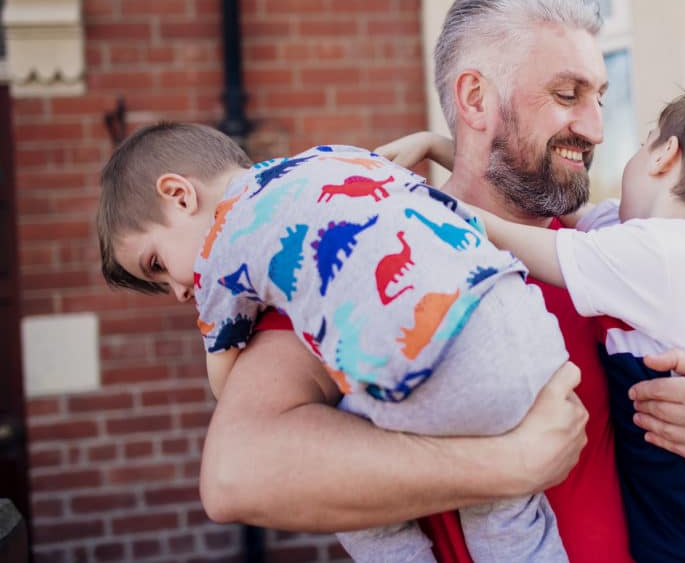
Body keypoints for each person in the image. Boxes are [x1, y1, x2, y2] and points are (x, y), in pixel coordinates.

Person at [198, 0, 685, 561]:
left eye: (600, 96)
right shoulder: (366, 275)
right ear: (475, 99)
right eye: (567, 94)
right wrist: (508, 466)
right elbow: (234, 476)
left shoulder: (604, 249)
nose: (598, 128)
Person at [96, 123, 572, 562]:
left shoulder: (222, 245)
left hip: (445, 365)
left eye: (157, 264)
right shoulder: (334, 157)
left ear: (179, 195)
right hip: (524, 325)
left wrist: (224, 320)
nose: (179, 291)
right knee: (506, 515)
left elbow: (224, 381)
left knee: (342, 475)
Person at [385, 89, 685, 561]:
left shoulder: (662, 256)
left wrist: (412, 199)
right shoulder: (663, 249)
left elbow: (525, 241)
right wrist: (438, 147)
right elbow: (573, 215)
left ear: (665, 156)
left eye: (645, 142)